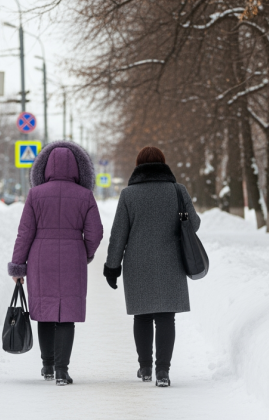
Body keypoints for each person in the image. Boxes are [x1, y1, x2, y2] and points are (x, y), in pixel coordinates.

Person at [103, 146, 200, 388]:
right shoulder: (178, 191)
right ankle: (163, 372)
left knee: (142, 316)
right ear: (163, 163)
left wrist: (112, 266)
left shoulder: (128, 195)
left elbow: (118, 235)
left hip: (137, 263)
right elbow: (194, 224)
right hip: (171, 261)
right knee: (167, 317)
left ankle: (145, 368)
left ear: (138, 166)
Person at [8, 140, 103, 386]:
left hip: (41, 258)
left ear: (45, 167)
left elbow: (25, 232)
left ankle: (47, 365)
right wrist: (86, 252)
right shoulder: (85, 195)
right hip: (73, 258)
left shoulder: (35, 194)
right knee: (66, 316)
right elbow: (96, 232)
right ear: (78, 168)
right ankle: (62, 370)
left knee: (46, 313)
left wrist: (19, 265)